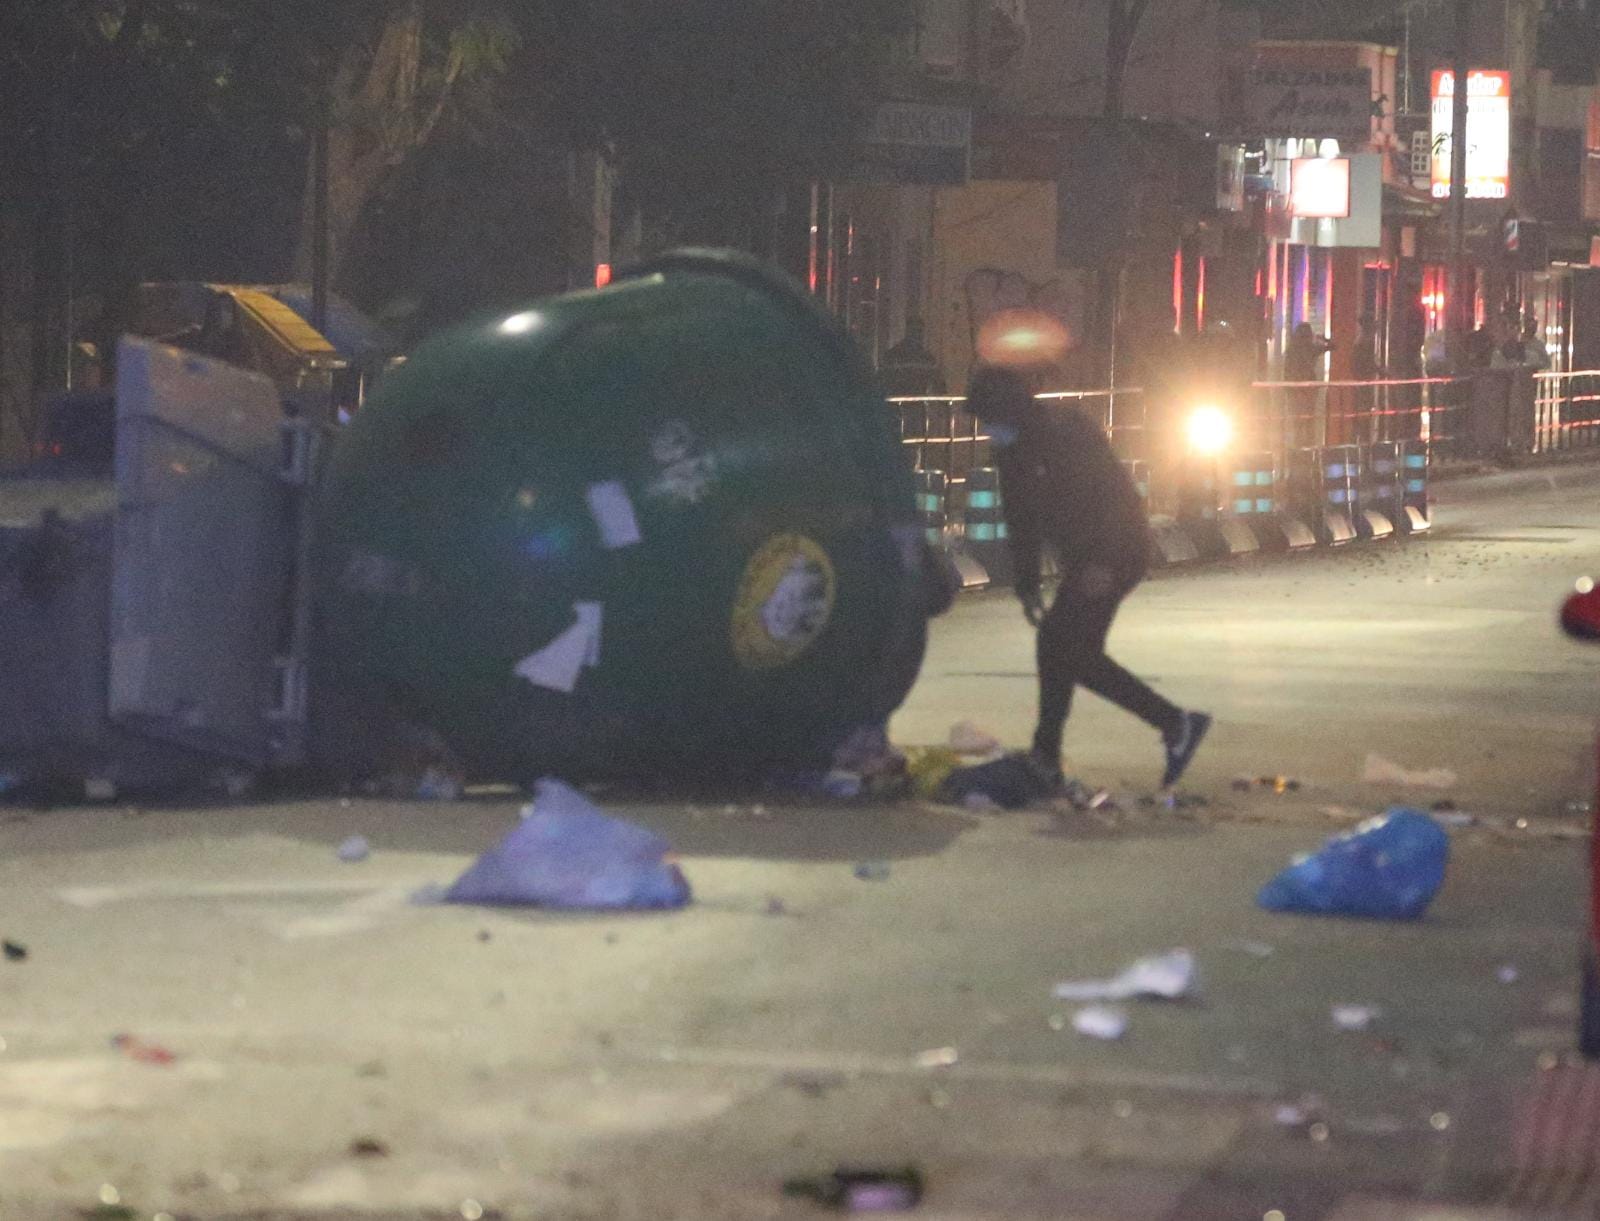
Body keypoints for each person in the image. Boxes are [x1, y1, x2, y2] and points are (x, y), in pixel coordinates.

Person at [965, 364, 1211, 792]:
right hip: (1085, 558)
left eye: (990, 419)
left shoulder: (1066, 433)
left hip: (1115, 550)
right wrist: (1026, 584)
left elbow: (1112, 496)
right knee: (1060, 647)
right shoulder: (1014, 452)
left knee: (1070, 650)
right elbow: (1021, 520)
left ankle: (1173, 724)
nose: (987, 430)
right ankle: (1048, 754)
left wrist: (1103, 561)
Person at [1284, 323, 1333, 448]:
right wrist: (1324, 339)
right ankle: (1309, 445)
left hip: (1296, 387)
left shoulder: (1292, 349)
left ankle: (1298, 445)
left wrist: (1288, 387)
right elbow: (1333, 346)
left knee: (1298, 418)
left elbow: (1287, 371)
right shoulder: (1311, 348)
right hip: (1309, 386)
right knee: (1309, 417)